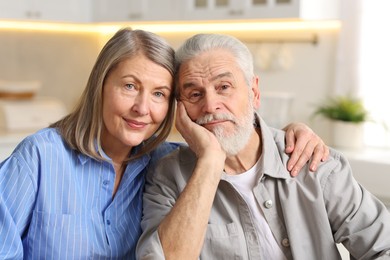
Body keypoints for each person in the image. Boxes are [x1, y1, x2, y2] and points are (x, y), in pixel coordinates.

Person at [0, 28, 327, 260]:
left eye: (159, 94)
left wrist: (290, 133)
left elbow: (238, 140)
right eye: (130, 86)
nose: (143, 108)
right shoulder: (39, 157)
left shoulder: (166, 166)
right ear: (101, 85)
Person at [137, 33, 390, 260]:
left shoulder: (313, 162)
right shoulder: (167, 178)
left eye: (224, 87)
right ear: (179, 109)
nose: (211, 105)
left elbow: (383, 247)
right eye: (194, 94)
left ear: (254, 92)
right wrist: (211, 160)